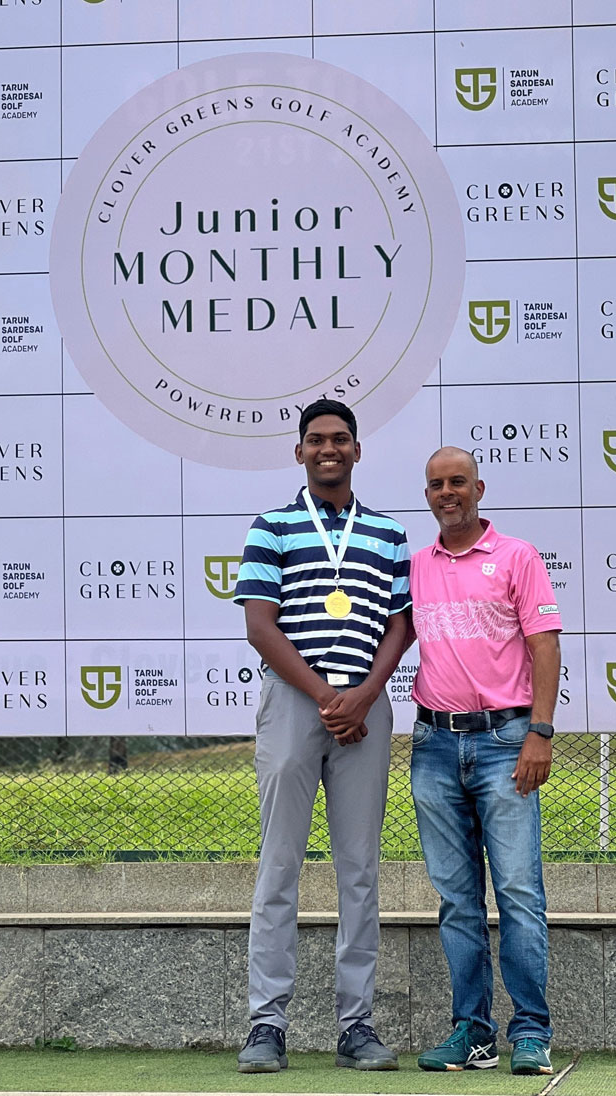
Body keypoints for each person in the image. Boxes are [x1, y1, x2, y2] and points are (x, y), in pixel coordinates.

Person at [232, 400, 410, 1073]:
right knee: (280, 866)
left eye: (340, 439)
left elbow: (400, 623)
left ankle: (356, 1025)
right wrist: (324, 695)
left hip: (366, 708)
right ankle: (266, 1025)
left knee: (359, 872)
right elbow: (260, 625)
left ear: (358, 451)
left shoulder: (388, 533)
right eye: (316, 440)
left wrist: (363, 693)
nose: (328, 449)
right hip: (296, 706)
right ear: (299, 451)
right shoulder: (271, 527)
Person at [409, 446, 560, 1077]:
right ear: (428, 494)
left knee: (520, 894)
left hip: (506, 743)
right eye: (437, 485)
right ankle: (472, 1033)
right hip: (435, 747)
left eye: (458, 482)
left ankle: (531, 1032)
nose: (448, 493)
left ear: (479, 488)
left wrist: (541, 732)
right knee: (456, 901)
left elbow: (544, 644)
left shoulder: (517, 556)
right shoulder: (415, 565)